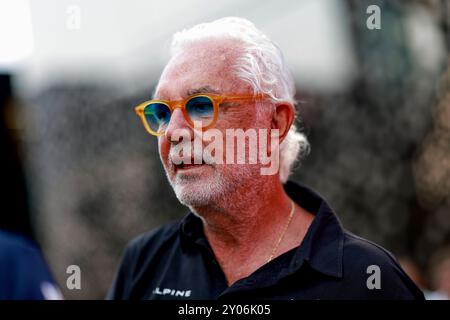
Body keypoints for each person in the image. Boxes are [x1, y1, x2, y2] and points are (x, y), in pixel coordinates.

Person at [108, 17, 424, 300]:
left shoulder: (366, 280)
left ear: (275, 123)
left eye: (201, 105)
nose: (173, 131)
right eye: (161, 112)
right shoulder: (144, 263)